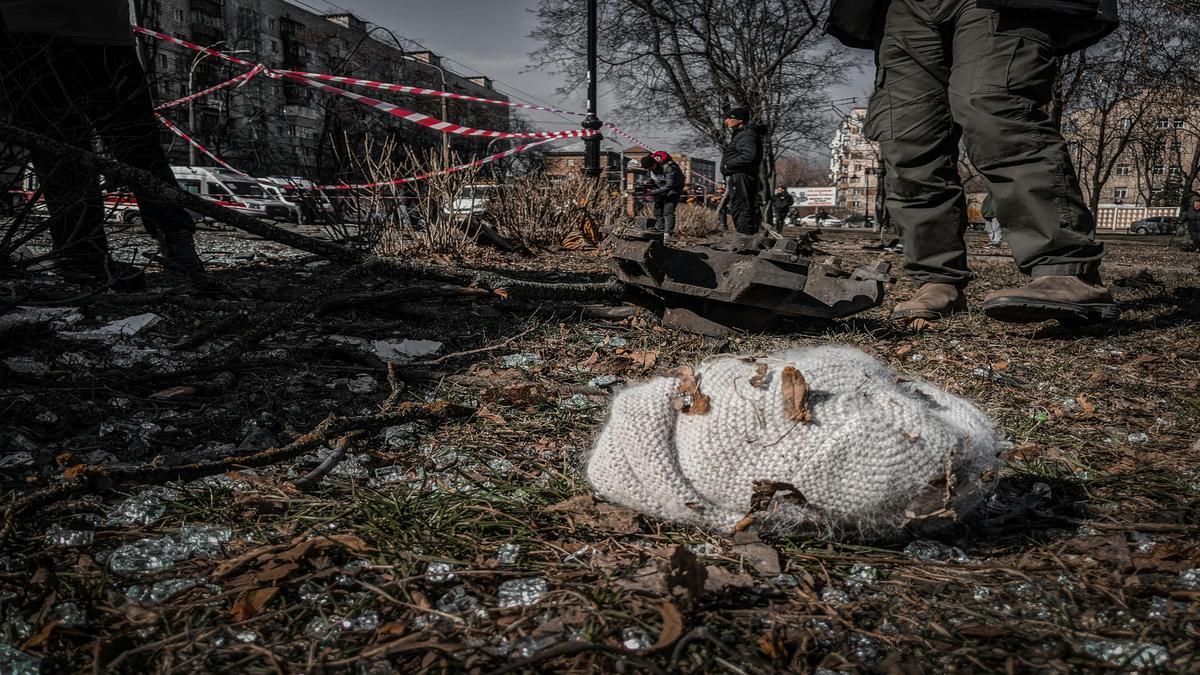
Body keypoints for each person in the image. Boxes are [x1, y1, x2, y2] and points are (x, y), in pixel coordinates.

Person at [827, 0, 1120, 324]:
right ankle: (937, 279)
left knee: (994, 111)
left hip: (996, 4)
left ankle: (1067, 270)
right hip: (903, 8)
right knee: (908, 139)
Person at [0, 0, 205, 290]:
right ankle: (163, 245)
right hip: (66, 31)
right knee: (116, 146)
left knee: (82, 149)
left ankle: (90, 259)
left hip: (53, 30)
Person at [720, 106, 763, 236]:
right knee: (744, 207)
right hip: (742, 176)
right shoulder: (743, 134)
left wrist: (728, 165)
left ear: (740, 120)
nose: (726, 121)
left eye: (729, 118)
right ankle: (748, 237)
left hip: (741, 177)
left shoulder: (746, 135)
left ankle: (745, 240)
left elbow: (749, 156)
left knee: (741, 207)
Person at [640, 151, 684, 243]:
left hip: (674, 187)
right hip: (661, 186)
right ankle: (659, 230)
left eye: (650, 168)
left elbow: (669, 186)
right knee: (657, 209)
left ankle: (667, 235)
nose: (650, 170)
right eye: (648, 169)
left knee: (668, 209)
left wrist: (651, 192)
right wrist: (648, 184)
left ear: (655, 163)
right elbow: (656, 180)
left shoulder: (669, 167)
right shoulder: (651, 169)